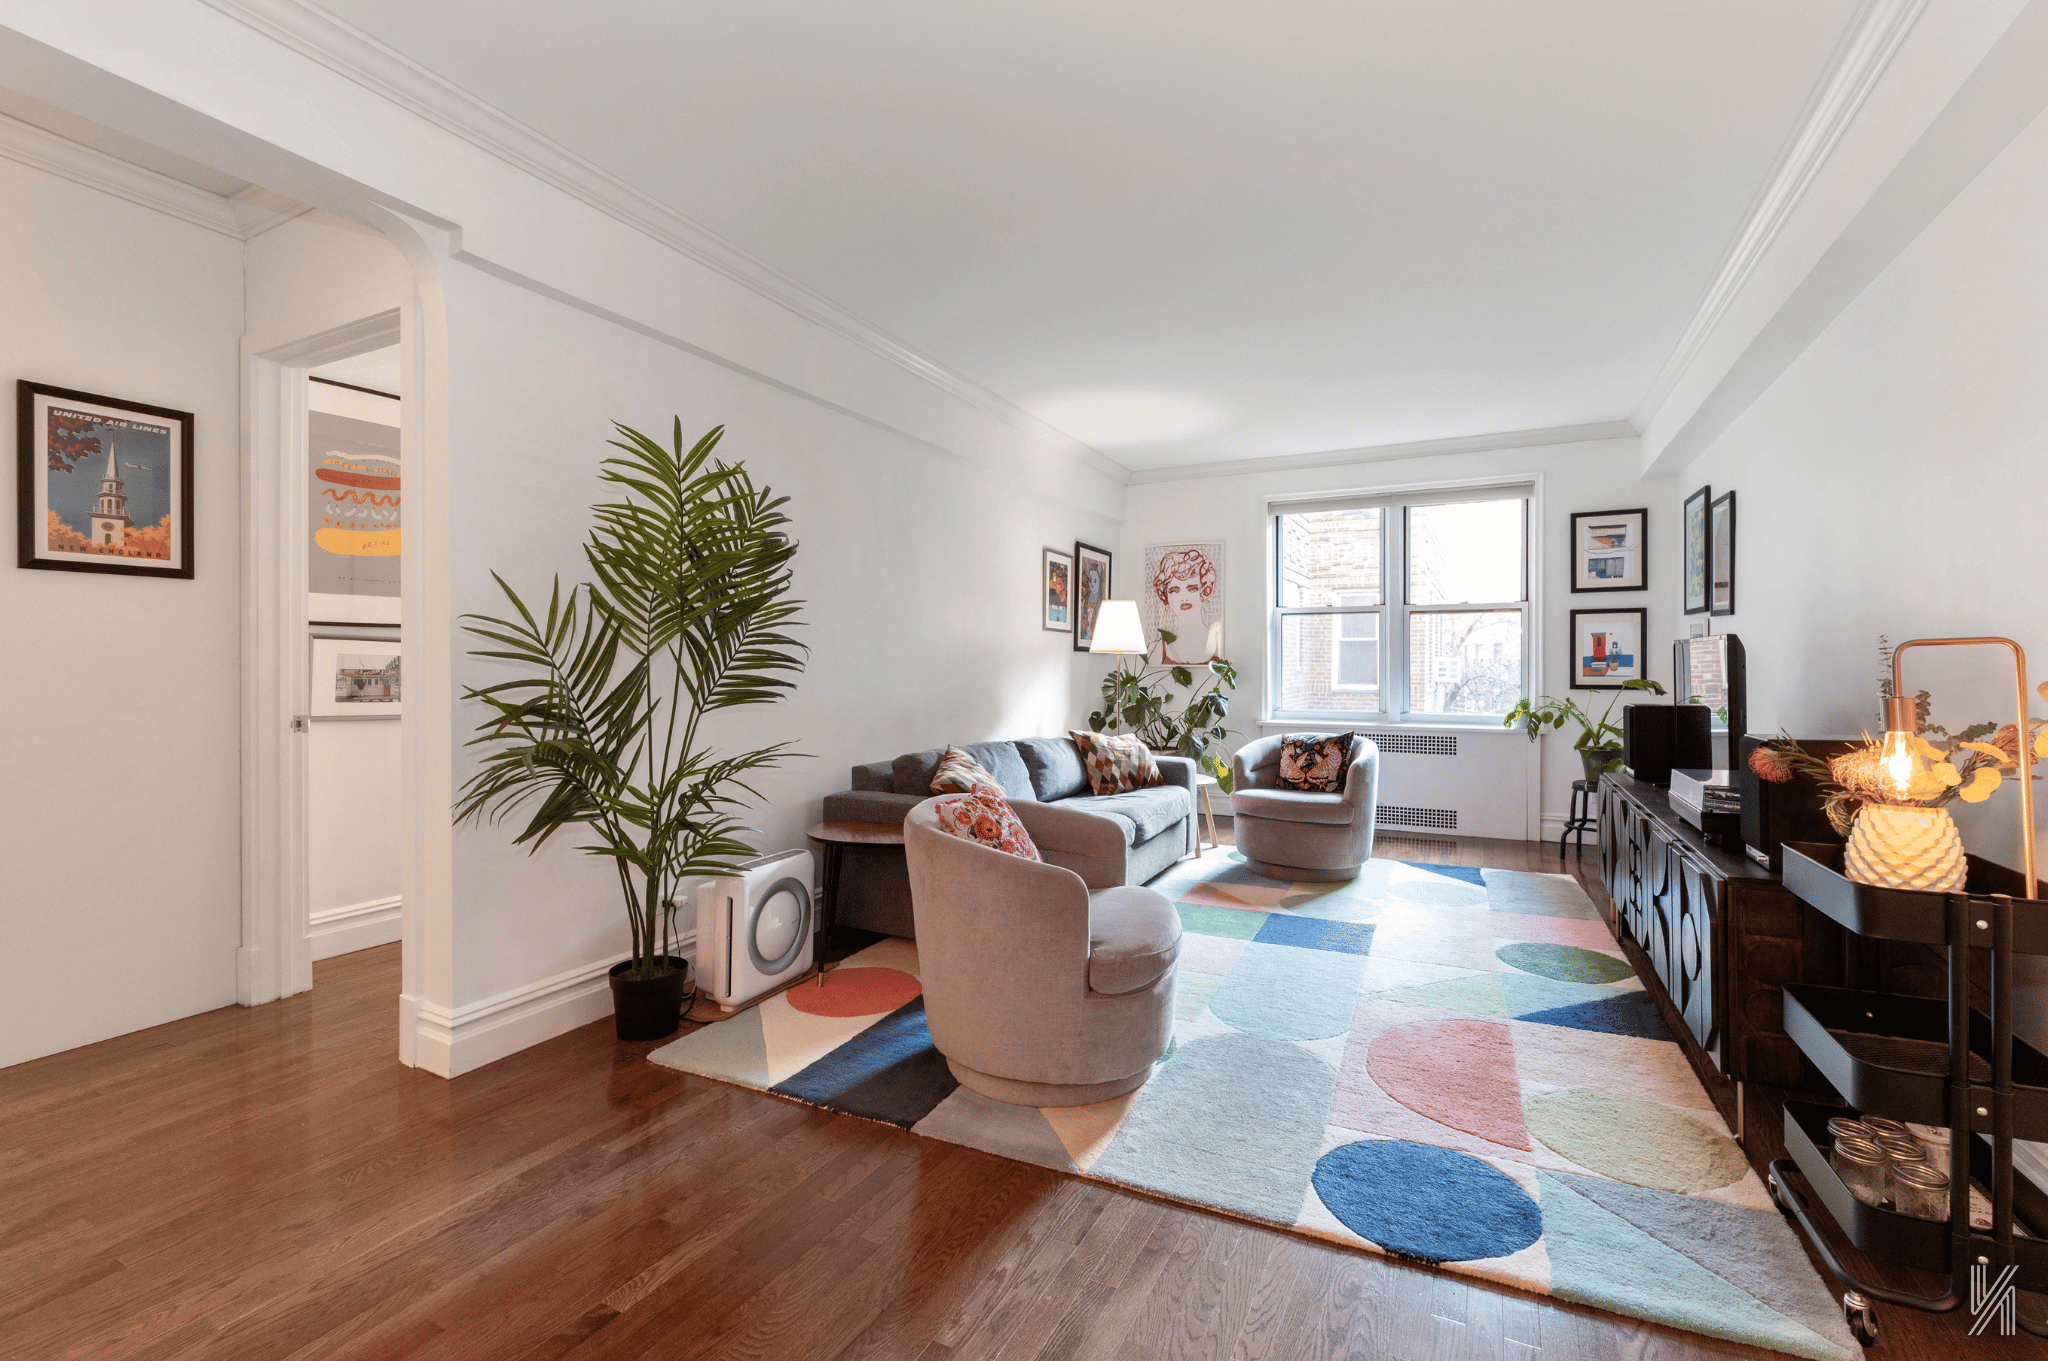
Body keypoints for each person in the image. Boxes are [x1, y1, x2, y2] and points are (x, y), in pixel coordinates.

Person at [1150, 548, 1219, 663]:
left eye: (1192, 589)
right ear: (1165, 596)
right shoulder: (1155, 649)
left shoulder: (1221, 643)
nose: (1184, 597)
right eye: (1174, 591)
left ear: (1205, 591)